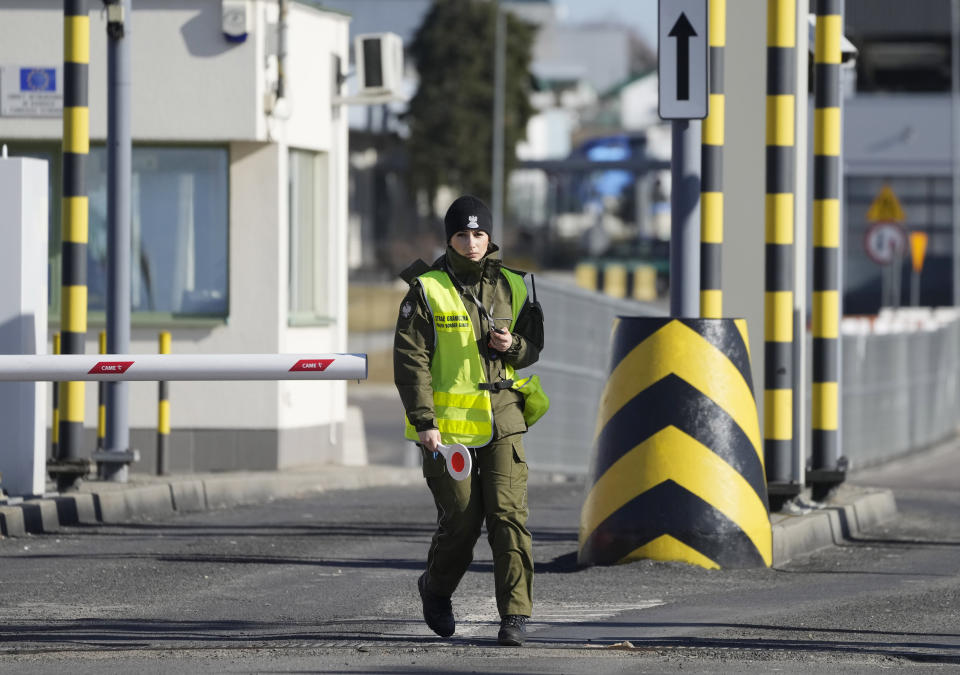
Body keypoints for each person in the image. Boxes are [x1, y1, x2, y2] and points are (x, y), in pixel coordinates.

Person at [394, 194, 545, 646]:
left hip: (504, 417)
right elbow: (410, 360)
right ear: (450, 238)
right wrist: (425, 421)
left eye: (479, 234)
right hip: (448, 428)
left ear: (490, 236)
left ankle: (514, 615)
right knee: (461, 521)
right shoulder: (426, 288)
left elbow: (532, 347)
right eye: (463, 233)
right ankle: (435, 590)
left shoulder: (515, 285)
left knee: (507, 515)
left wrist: (512, 346)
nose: (472, 242)